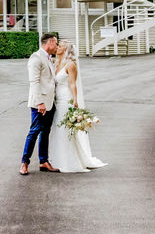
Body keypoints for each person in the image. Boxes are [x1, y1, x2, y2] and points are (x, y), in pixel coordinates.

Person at [47, 39, 107, 172]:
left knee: (64, 129)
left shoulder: (70, 65)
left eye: (60, 46)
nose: (57, 48)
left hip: (66, 99)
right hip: (56, 100)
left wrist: (75, 100)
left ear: (65, 50)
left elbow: (73, 83)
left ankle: (69, 161)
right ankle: (57, 158)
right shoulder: (56, 63)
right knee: (57, 129)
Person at [19, 33, 60, 175]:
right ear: (49, 43)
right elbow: (34, 82)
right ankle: (24, 163)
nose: (57, 46)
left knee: (45, 132)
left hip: (50, 102)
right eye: (55, 43)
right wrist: (40, 103)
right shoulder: (36, 58)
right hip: (40, 103)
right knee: (34, 131)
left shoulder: (49, 58)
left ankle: (44, 161)